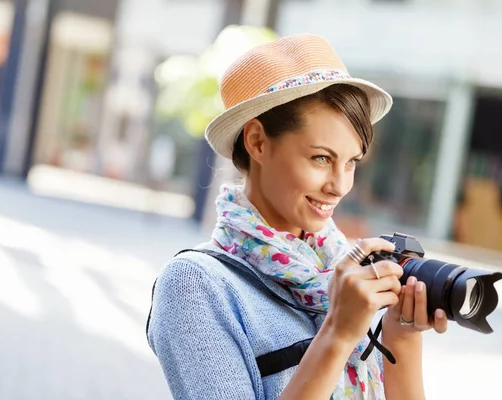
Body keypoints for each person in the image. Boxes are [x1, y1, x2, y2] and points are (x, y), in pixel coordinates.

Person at [147, 33, 448, 400]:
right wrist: (337, 334)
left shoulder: (341, 270)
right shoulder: (196, 286)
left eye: (351, 162)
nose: (340, 186)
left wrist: (401, 338)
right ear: (257, 142)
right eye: (321, 158)